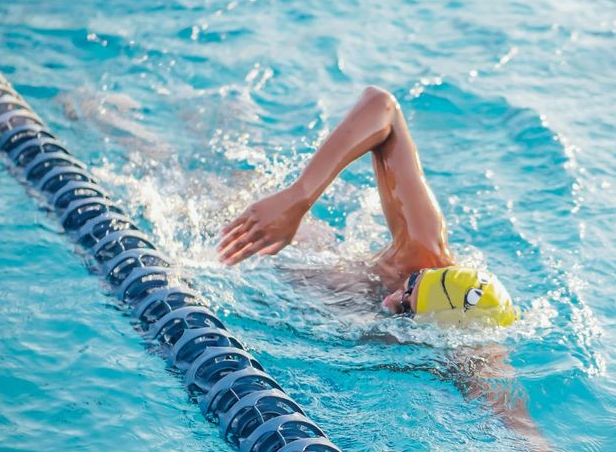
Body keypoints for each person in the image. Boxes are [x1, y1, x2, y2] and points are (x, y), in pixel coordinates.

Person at [218, 86, 517, 327]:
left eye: (407, 309)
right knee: (215, 183)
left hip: (286, 286)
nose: (394, 299)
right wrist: (297, 198)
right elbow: (382, 106)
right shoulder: (423, 251)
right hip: (287, 247)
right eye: (412, 284)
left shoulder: (461, 350)